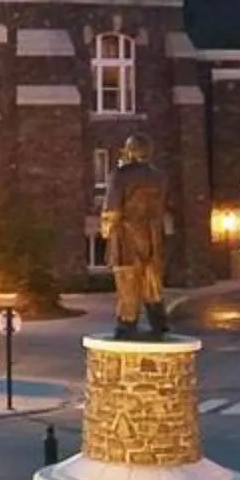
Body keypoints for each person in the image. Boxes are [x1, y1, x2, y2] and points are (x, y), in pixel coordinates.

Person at [98, 136, 172, 340]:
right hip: (153, 237)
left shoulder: (120, 175)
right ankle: (158, 322)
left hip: (127, 237)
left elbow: (112, 209)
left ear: (130, 151)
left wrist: (106, 230)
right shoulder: (159, 177)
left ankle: (127, 324)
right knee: (152, 282)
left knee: (127, 281)